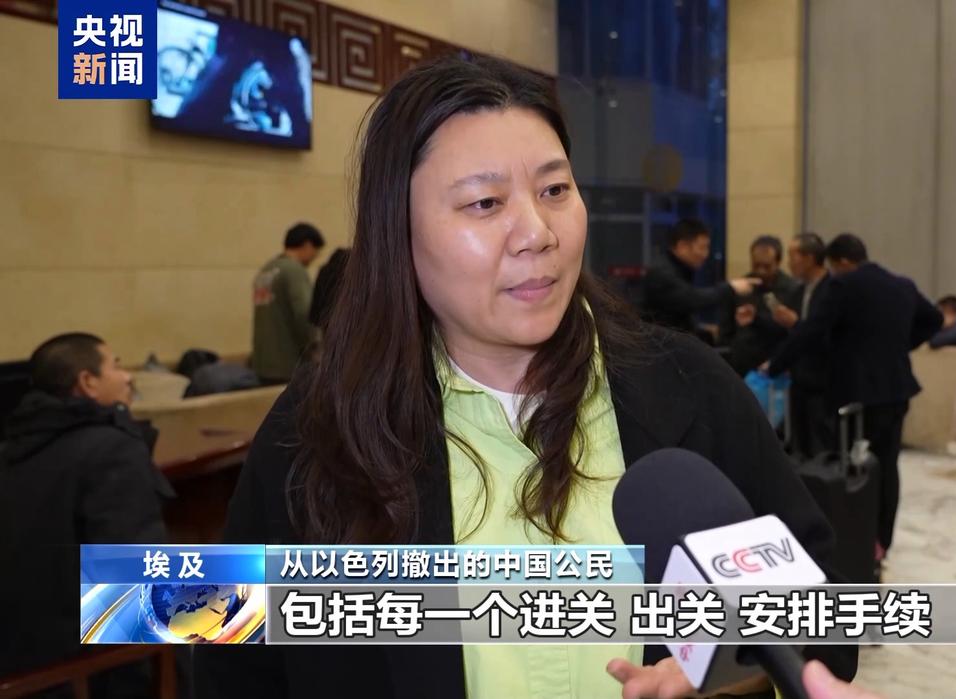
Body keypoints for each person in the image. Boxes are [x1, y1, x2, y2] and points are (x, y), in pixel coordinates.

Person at [195, 54, 856, 699]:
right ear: (397, 231)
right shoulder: (316, 429)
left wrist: (736, 667)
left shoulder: (690, 385)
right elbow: (231, 665)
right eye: (484, 202)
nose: (537, 232)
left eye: (554, 190)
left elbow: (826, 614)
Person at [0, 333, 173, 696]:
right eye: (116, 366)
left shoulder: (13, 450)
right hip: (87, 672)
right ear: (87, 382)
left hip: (21, 661)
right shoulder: (111, 450)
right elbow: (136, 591)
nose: (127, 376)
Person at [766, 233, 942, 561]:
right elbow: (934, 319)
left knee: (849, 468)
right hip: (896, 390)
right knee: (887, 466)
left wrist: (775, 364)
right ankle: (881, 541)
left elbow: (812, 330)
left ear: (843, 262)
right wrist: (900, 345)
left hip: (856, 396)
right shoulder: (901, 284)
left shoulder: (843, 286)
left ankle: (854, 535)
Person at [641, 217, 757, 341]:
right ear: (682, 246)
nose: (705, 254)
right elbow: (691, 299)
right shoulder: (662, 273)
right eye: (702, 248)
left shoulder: (676, 269)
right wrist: (730, 287)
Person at [251, 222, 324, 384]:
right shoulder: (294, 271)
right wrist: (316, 349)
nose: (315, 257)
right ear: (307, 245)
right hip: (288, 365)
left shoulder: (265, 270)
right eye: (316, 251)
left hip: (263, 364)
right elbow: (305, 314)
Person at [781, 232, 833, 459]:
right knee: (799, 445)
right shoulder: (798, 290)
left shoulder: (832, 289)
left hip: (824, 380)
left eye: (793, 256)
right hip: (798, 377)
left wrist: (796, 323)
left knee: (821, 446)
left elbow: (823, 333)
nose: (789, 263)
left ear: (810, 258)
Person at [721, 235, 803, 375]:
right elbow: (726, 328)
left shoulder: (793, 289)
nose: (761, 271)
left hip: (775, 364)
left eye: (767, 266)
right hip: (741, 364)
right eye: (756, 265)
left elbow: (794, 332)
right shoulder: (741, 287)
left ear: (778, 262)